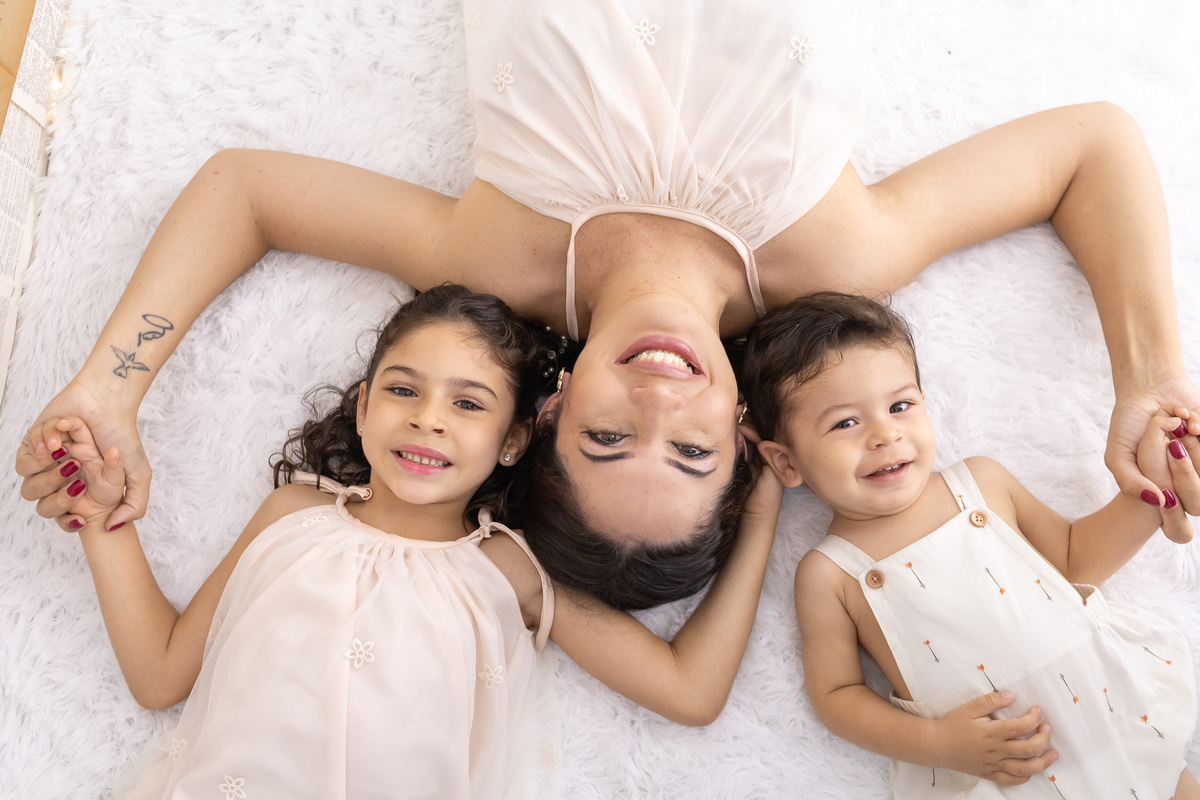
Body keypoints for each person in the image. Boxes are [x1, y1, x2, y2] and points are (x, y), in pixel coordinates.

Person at [16, 0, 1200, 609]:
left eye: (604, 433)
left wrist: (110, 389)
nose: (655, 390)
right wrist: (1148, 379)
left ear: (546, 404)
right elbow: (1092, 148)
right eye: (687, 447)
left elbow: (245, 190)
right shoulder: (843, 251)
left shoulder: (500, 254)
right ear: (746, 431)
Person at [51, 285, 782, 798]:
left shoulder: (509, 570)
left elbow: (691, 691)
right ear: (364, 408)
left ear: (513, 440)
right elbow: (158, 677)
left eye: (468, 404)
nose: (429, 419)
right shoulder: (290, 514)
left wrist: (766, 505)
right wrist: (95, 511)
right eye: (403, 390)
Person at [740, 292, 1197, 797]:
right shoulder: (830, 573)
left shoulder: (981, 483)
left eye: (900, 405)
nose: (885, 434)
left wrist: (1154, 490)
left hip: (1110, 710)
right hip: (1003, 771)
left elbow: (1073, 559)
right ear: (786, 463)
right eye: (845, 422)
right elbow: (836, 695)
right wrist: (935, 741)